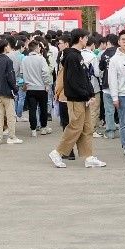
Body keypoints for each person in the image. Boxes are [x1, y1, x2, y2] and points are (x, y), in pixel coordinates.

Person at [47, 28, 105, 169]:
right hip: (76, 98)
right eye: (86, 38)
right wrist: (87, 95)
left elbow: (84, 77)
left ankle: (88, 156)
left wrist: (90, 94)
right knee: (75, 127)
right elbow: (72, 80)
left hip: (82, 98)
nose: (87, 41)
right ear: (80, 39)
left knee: (87, 128)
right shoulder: (72, 57)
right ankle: (58, 152)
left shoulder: (77, 55)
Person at [106, 31, 125, 160]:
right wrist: (115, 97)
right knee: (124, 122)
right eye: (123, 39)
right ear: (119, 42)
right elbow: (112, 80)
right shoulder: (114, 60)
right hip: (123, 95)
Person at [21, 39, 53, 137]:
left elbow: (22, 73)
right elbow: (45, 73)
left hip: (30, 88)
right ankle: (43, 127)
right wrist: (47, 84)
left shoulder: (25, 59)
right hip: (41, 88)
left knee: (32, 109)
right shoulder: (41, 59)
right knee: (43, 108)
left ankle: (33, 129)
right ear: (37, 48)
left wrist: (25, 84)